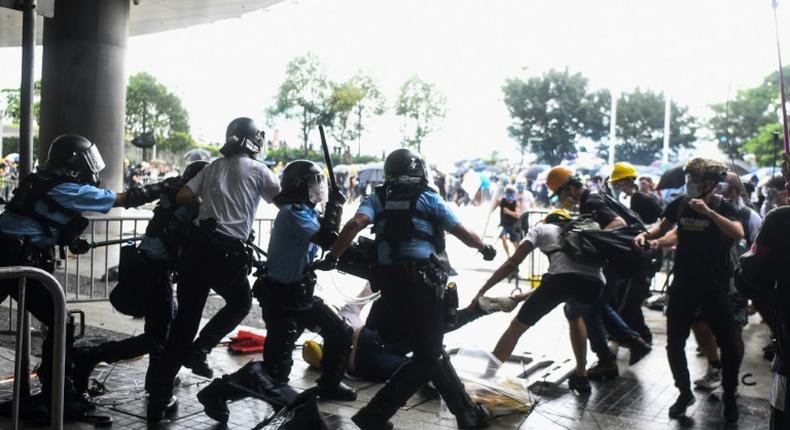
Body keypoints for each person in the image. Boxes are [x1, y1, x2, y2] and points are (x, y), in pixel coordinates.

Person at [312, 148, 497, 430]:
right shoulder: (427, 197)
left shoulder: (378, 198)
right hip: (424, 284)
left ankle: (467, 413)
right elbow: (463, 232)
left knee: (431, 350)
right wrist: (485, 248)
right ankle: (375, 416)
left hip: (391, 287)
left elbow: (354, 224)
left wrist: (333, 257)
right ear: (418, 171)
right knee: (428, 354)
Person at [0, 134, 171, 419]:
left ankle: (55, 391)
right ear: (74, 163)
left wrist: (61, 235)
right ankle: (57, 397)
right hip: (13, 261)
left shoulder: (43, 179)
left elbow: (39, 218)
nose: (92, 171)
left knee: (60, 321)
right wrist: (163, 188)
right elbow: (120, 199)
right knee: (60, 321)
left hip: (14, 257)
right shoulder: (64, 186)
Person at [195, 159, 356, 424]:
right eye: (314, 184)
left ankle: (329, 384)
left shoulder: (305, 211)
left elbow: (327, 237)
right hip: (282, 299)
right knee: (274, 373)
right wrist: (336, 206)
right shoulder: (293, 213)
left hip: (301, 295)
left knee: (340, 331)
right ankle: (216, 393)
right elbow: (327, 239)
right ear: (299, 187)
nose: (319, 189)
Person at [147, 117, 281, 422]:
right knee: (241, 303)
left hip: (197, 250)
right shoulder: (259, 170)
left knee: (183, 325)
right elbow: (283, 201)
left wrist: (207, 204)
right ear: (253, 141)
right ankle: (201, 348)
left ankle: (158, 398)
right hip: (226, 252)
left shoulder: (214, 166)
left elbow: (183, 195)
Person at [72, 160, 209, 396]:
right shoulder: (189, 204)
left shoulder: (174, 191)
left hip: (147, 265)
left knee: (161, 327)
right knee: (158, 335)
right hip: (155, 270)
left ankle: (155, 378)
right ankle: (94, 355)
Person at [634, 158, 744, 423]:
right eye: (689, 178)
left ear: (711, 183)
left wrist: (709, 213)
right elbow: (668, 228)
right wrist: (648, 237)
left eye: (696, 179)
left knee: (729, 344)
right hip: (683, 284)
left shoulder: (722, 206)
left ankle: (729, 396)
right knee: (674, 344)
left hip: (715, 285)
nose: (690, 183)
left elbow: (738, 233)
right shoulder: (681, 203)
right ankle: (684, 392)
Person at [480, 209, 604, 393]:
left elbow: (512, 264)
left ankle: (488, 376)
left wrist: (482, 291)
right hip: (595, 285)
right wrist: (520, 297)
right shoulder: (580, 233)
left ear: (547, 220)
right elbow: (558, 278)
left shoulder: (541, 230)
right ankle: (581, 375)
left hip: (560, 281)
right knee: (575, 315)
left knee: (517, 327)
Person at [546, 166, 650, 380]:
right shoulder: (592, 198)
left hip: (619, 261)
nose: (562, 199)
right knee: (601, 305)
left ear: (570, 188)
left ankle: (607, 361)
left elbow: (617, 223)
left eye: (561, 193)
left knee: (590, 309)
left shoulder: (591, 201)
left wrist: (589, 238)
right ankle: (633, 341)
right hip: (622, 260)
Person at [691, 172, 762, 390]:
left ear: (738, 191)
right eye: (720, 187)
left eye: (728, 188)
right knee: (699, 323)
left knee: (733, 332)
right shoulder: (700, 209)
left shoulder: (749, 216)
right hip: (706, 280)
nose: (723, 192)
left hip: (734, 283)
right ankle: (715, 367)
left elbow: (755, 247)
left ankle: (731, 376)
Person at [607, 162, 663, 344]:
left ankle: (642, 338)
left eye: (616, 184)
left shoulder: (646, 201)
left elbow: (663, 224)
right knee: (619, 298)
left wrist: (645, 233)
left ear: (625, 182)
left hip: (645, 258)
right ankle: (625, 335)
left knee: (631, 303)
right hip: (627, 258)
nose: (614, 188)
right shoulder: (619, 202)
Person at [490, 185, 521, 258]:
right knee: (503, 239)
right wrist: (494, 202)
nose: (510, 197)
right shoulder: (501, 201)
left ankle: (516, 256)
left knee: (514, 242)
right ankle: (508, 255)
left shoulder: (516, 203)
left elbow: (518, 215)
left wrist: (508, 212)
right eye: (508, 194)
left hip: (513, 225)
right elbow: (492, 209)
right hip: (503, 225)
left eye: (511, 194)